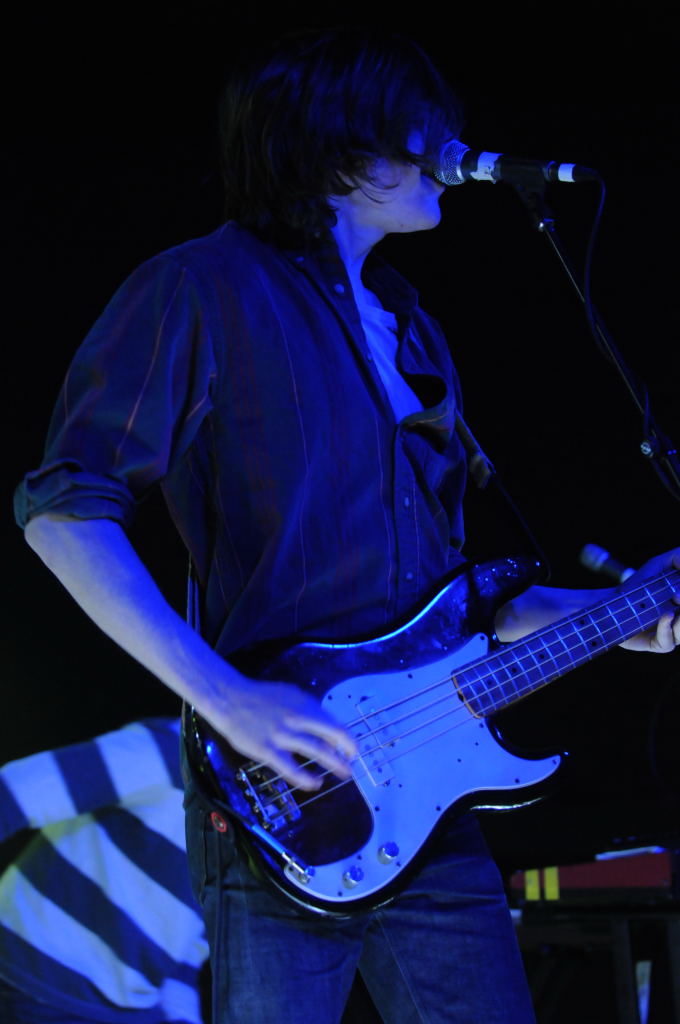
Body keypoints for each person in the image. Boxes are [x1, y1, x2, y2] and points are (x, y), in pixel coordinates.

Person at [14, 26, 679, 1024]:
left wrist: (621, 614)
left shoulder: (413, 328)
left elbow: (470, 603)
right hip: (283, 794)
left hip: (435, 811)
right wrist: (228, 697)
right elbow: (65, 512)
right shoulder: (202, 288)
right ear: (334, 146)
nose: (450, 149)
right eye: (422, 129)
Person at [0, 718, 209, 1023]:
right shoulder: (174, 751)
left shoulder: (256, 833)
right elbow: (11, 794)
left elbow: (184, 958)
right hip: (34, 981)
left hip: (125, 1007)